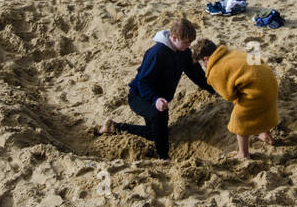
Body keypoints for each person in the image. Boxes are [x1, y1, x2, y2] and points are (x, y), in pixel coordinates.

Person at [97, 19, 214, 160]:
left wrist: (213, 89)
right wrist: (155, 99)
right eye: (186, 42)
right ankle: (163, 158)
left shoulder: (184, 52)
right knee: (159, 115)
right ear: (174, 38)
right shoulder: (157, 53)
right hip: (140, 97)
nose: (188, 45)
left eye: (190, 43)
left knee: (155, 133)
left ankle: (114, 127)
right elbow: (143, 82)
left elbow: (196, 74)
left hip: (158, 98)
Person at [191, 39, 277, 161]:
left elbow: (229, 96)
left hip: (258, 92)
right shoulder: (232, 52)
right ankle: (266, 135)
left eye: (201, 63)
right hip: (270, 82)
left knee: (239, 121)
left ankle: (243, 154)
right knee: (261, 110)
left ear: (206, 59)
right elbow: (256, 61)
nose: (203, 66)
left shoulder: (215, 70)